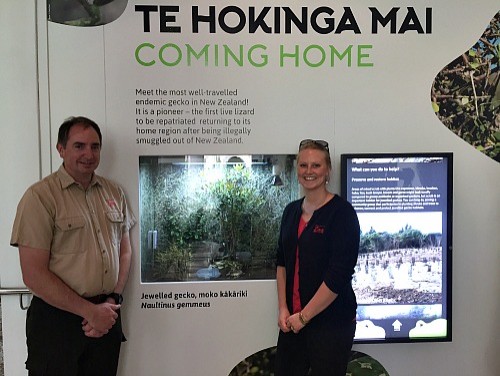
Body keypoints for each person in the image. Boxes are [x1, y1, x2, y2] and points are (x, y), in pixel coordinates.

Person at [10, 116, 136, 376]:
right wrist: (90, 312)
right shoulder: (40, 197)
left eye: (95, 146)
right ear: (61, 149)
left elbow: (125, 251)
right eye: (79, 146)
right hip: (57, 321)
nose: (88, 154)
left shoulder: (115, 193)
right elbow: (33, 273)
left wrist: (112, 300)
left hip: (106, 315)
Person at [275, 139, 360, 376]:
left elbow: (338, 275)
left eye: (316, 165)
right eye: (303, 165)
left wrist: (304, 316)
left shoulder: (343, 214)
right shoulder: (290, 211)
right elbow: (281, 261)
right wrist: (283, 308)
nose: (309, 172)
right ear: (296, 170)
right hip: (292, 323)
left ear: (327, 170)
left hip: (332, 324)